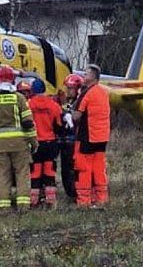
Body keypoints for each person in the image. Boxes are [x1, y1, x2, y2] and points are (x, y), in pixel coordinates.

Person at [0, 66, 38, 210]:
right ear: (12, 79)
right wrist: (34, 142)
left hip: (0, 146)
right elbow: (28, 123)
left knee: (3, 176)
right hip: (20, 144)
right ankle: (23, 206)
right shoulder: (19, 98)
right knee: (22, 174)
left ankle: (3, 208)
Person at [71, 65, 111, 206]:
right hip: (102, 137)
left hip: (87, 136)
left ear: (93, 77)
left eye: (86, 74)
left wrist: (69, 112)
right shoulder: (104, 92)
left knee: (83, 169)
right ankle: (101, 198)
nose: (84, 76)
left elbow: (76, 116)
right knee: (99, 169)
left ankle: (84, 200)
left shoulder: (87, 93)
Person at [26, 78, 63, 208]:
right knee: (49, 173)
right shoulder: (53, 105)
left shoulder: (28, 105)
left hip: (34, 144)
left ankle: (34, 202)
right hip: (50, 143)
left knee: (35, 174)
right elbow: (59, 125)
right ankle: (50, 202)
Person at [58, 73, 85, 201]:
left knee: (73, 169)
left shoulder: (80, 103)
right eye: (67, 88)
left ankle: (76, 192)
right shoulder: (67, 102)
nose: (67, 91)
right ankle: (71, 192)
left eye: (70, 88)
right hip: (65, 141)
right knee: (65, 169)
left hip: (75, 141)